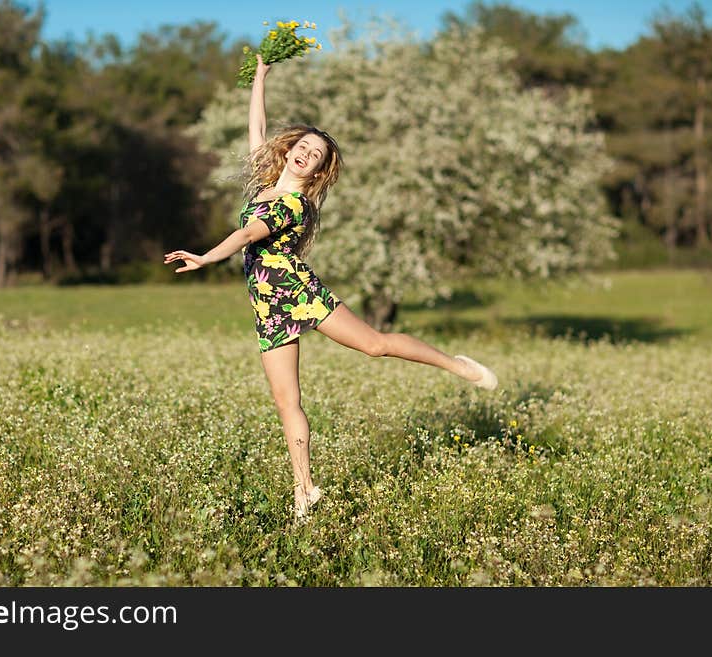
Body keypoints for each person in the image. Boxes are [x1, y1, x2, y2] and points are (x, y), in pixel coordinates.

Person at [164, 55, 498, 522]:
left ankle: (456, 365)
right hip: (267, 307)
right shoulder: (264, 182)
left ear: (318, 170)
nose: (306, 154)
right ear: (290, 150)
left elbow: (245, 236)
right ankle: (305, 491)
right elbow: (257, 131)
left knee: (376, 346)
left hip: (300, 294)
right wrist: (260, 77)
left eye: (316, 155)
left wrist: (205, 256)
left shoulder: (293, 206)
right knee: (287, 403)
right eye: (303, 146)